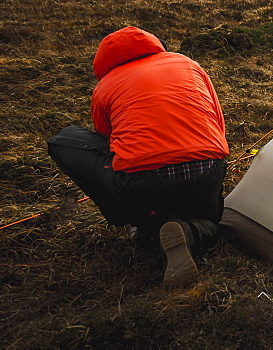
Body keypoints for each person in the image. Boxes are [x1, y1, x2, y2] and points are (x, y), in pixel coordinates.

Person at [47, 26, 229, 288]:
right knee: (210, 220)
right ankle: (192, 231)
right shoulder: (188, 65)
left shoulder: (105, 86)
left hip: (143, 183)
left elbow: (108, 141)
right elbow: (217, 122)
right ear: (155, 45)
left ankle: (146, 225)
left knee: (63, 141)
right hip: (207, 173)